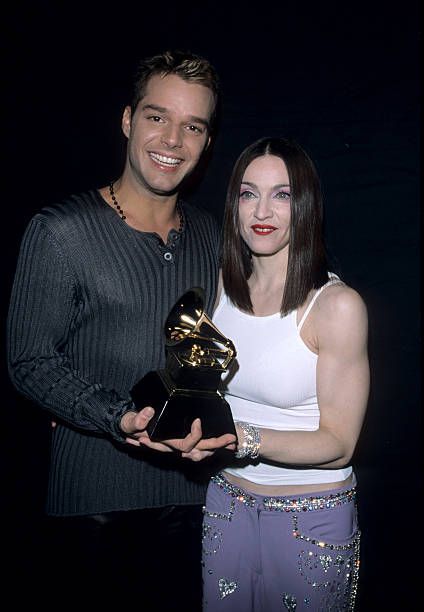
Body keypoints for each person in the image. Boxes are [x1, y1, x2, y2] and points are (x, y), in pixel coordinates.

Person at [6, 49, 236, 610]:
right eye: (158, 117)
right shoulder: (60, 231)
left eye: (193, 126)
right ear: (128, 120)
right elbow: (29, 361)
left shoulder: (212, 235)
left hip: (200, 503)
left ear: (206, 144)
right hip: (93, 508)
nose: (173, 140)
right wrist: (117, 416)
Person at [201, 137, 370, 611]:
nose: (263, 209)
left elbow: (339, 445)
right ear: (233, 202)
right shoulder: (220, 287)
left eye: (282, 194)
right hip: (226, 501)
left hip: (310, 516)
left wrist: (239, 439)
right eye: (249, 192)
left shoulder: (335, 306)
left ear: (305, 206)